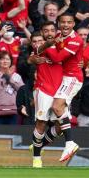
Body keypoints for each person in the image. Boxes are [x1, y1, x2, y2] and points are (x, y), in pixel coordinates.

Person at [37, 13, 83, 163]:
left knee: (57, 107)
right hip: (62, 78)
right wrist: (47, 44)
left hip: (73, 78)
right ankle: (41, 144)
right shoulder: (57, 35)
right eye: (62, 22)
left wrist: (48, 45)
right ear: (58, 23)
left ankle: (70, 143)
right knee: (59, 118)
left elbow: (57, 58)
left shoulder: (76, 40)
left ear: (73, 24)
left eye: (69, 22)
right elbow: (37, 51)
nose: (65, 25)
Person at [29, 22, 63, 168]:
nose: (49, 32)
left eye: (52, 30)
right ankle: (37, 158)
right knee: (41, 122)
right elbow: (31, 57)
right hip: (44, 89)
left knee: (62, 126)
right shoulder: (41, 49)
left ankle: (39, 145)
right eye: (46, 30)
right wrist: (33, 59)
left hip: (61, 91)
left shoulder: (63, 47)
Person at [0, 51, 24, 124]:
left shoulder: (16, 76)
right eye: (2, 59)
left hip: (12, 112)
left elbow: (21, 92)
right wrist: (5, 77)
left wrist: (10, 77)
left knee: (13, 134)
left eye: (8, 59)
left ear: (11, 62)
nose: (5, 61)